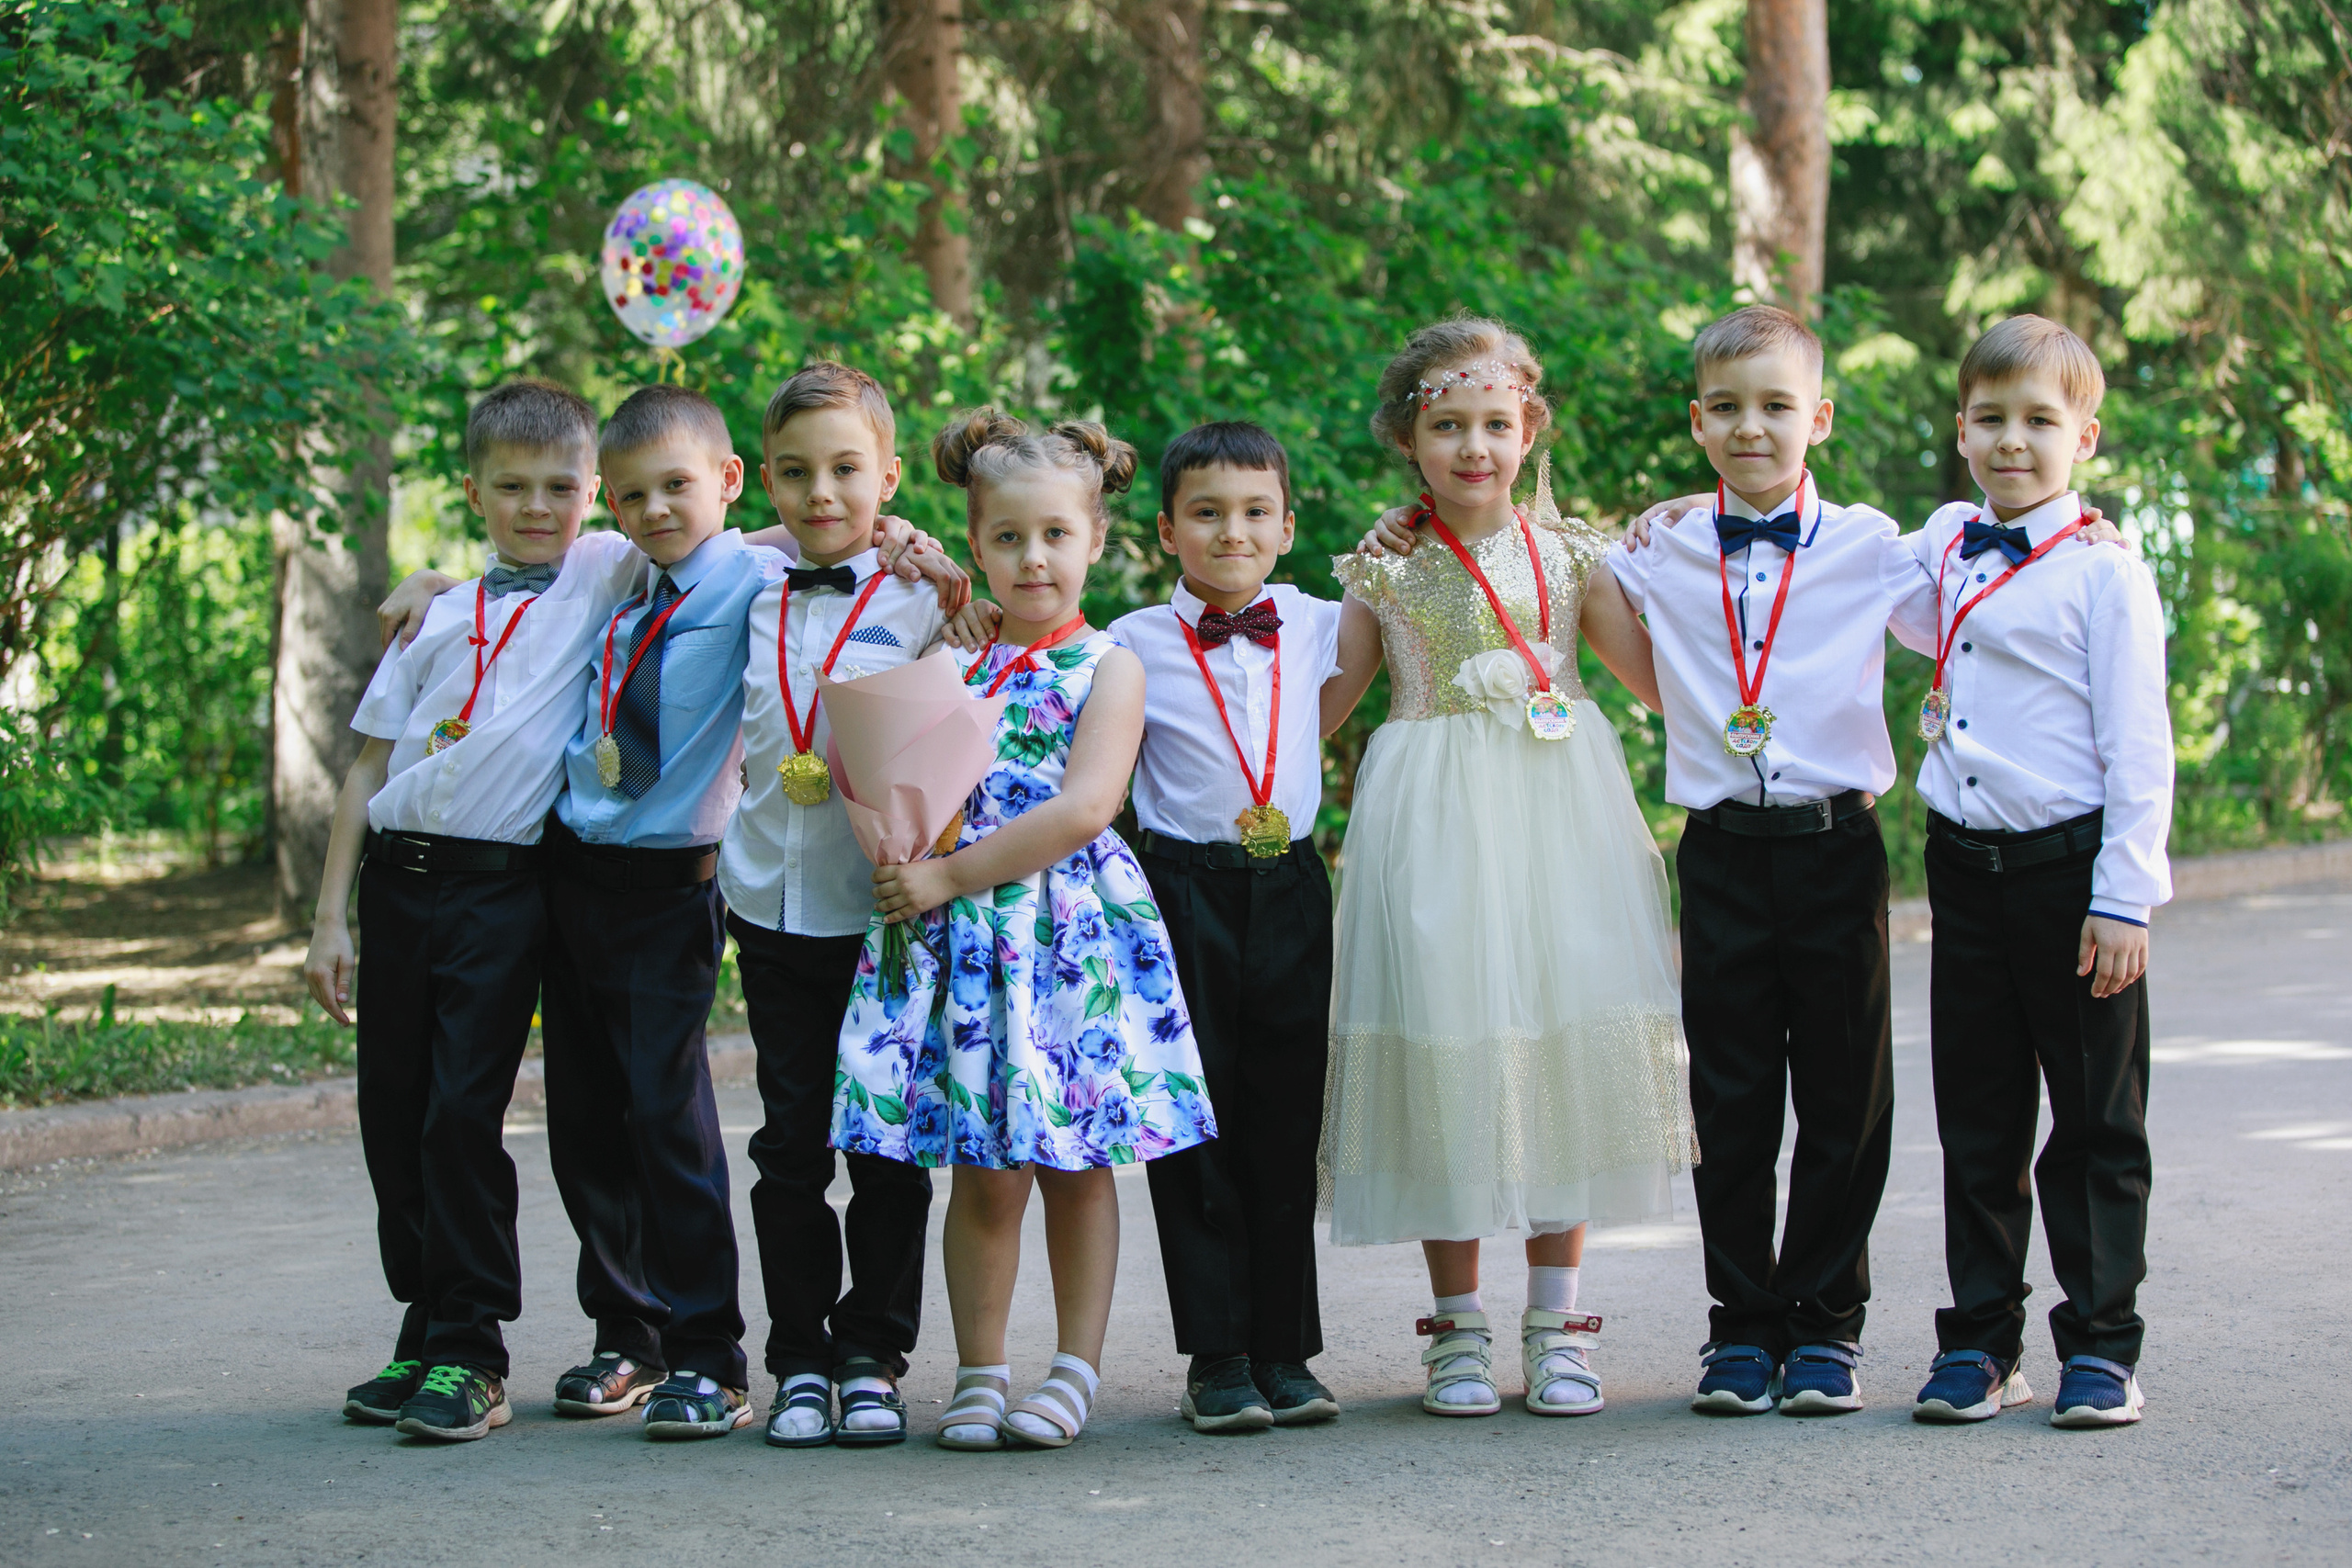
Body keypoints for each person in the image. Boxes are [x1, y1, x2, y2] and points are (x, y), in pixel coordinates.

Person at [370, 389, 968, 1441]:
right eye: (633, 494)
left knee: (670, 1121)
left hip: (676, 884)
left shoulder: (752, 569)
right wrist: (431, 580)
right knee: (585, 1126)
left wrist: (902, 533)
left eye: (677, 489)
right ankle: (627, 1336)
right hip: (567, 872)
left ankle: (712, 1353)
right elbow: (524, 559)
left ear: (728, 485)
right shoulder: (614, 569)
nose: (655, 509)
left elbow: (823, 517)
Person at [1317, 318, 1693, 1420]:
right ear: (1409, 437)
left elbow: (1660, 683)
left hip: (1555, 818)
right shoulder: (1381, 565)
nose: (1472, 447)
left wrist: (1678, 536)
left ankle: (1559, 1323)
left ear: (1527, 428)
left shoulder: (1577, 555)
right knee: (1451, 1039)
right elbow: (1328, 703)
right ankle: (1457, 1330)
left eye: (1493, 423)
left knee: (1560, 1034)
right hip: (1430, 819)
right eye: (1446, 427)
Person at [831, 412, 1216, 1452]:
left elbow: (1086, 806)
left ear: (1096, 541)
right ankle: (981, 1370)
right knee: (984, 1169)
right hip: (961, 945)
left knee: (1074, 1163)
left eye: (1054, 535)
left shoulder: (1112, 664)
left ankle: (1074, 1370)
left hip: (1064, 939)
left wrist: (947, 872)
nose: (1032, 558)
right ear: (976, 547)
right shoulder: (951, 655)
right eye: (1006, 538)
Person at [306, 379, 641, 1441]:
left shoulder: (600, 574)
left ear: (594, 493)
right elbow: (365, 770)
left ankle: (471, 1351)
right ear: (473, 490)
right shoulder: (434, 613)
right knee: (393, 1117)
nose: (536, 507)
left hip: (503, 890)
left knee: (461, 1112)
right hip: (397, 884)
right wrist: (329, 918)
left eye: (559, 488)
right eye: (511, 488)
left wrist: (891, 534)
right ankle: (428, 1323)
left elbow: (721, 527)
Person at [1899, 315, 2171, 1429]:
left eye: (2040, 423)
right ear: (1962, 431)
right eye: (1992, 420)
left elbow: (2138, 744)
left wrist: (2123, 896)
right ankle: (1980, 1343)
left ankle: (2101, 1347)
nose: (2015, 441)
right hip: (1962, 871)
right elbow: (1843, 563)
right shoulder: (1946, 543)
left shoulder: (2108, 573)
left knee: (2095, 1120)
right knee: (1978, 1114)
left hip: (2072, 879)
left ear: (2085, 438)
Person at [718, 363, 947, 1449]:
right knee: (790, 1149)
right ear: (764, 480)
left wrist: (934, 558)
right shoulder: (738, 586)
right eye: (797, 472)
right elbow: (623, 546)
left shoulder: (927, 600)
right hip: (769, 908)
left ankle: (873, 1355)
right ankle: (798, 1356)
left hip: (885, 916)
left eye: (848, 471)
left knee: (890, 1148)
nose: (822, 493)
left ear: (887, 476)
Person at [1108, 423, 1350, 1433]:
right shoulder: (1128, 641)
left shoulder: (1322, 620)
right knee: (1191, 1123)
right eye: (1206, 514)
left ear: (1287, 525)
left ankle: (1284, 1351)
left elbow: (1431, 568)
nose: (1231, 532)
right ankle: (1216, 1356)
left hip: (1289, 883)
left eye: (1255, 512)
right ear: (1168, 530)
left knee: (1284, 1125)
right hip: (1179, 891)